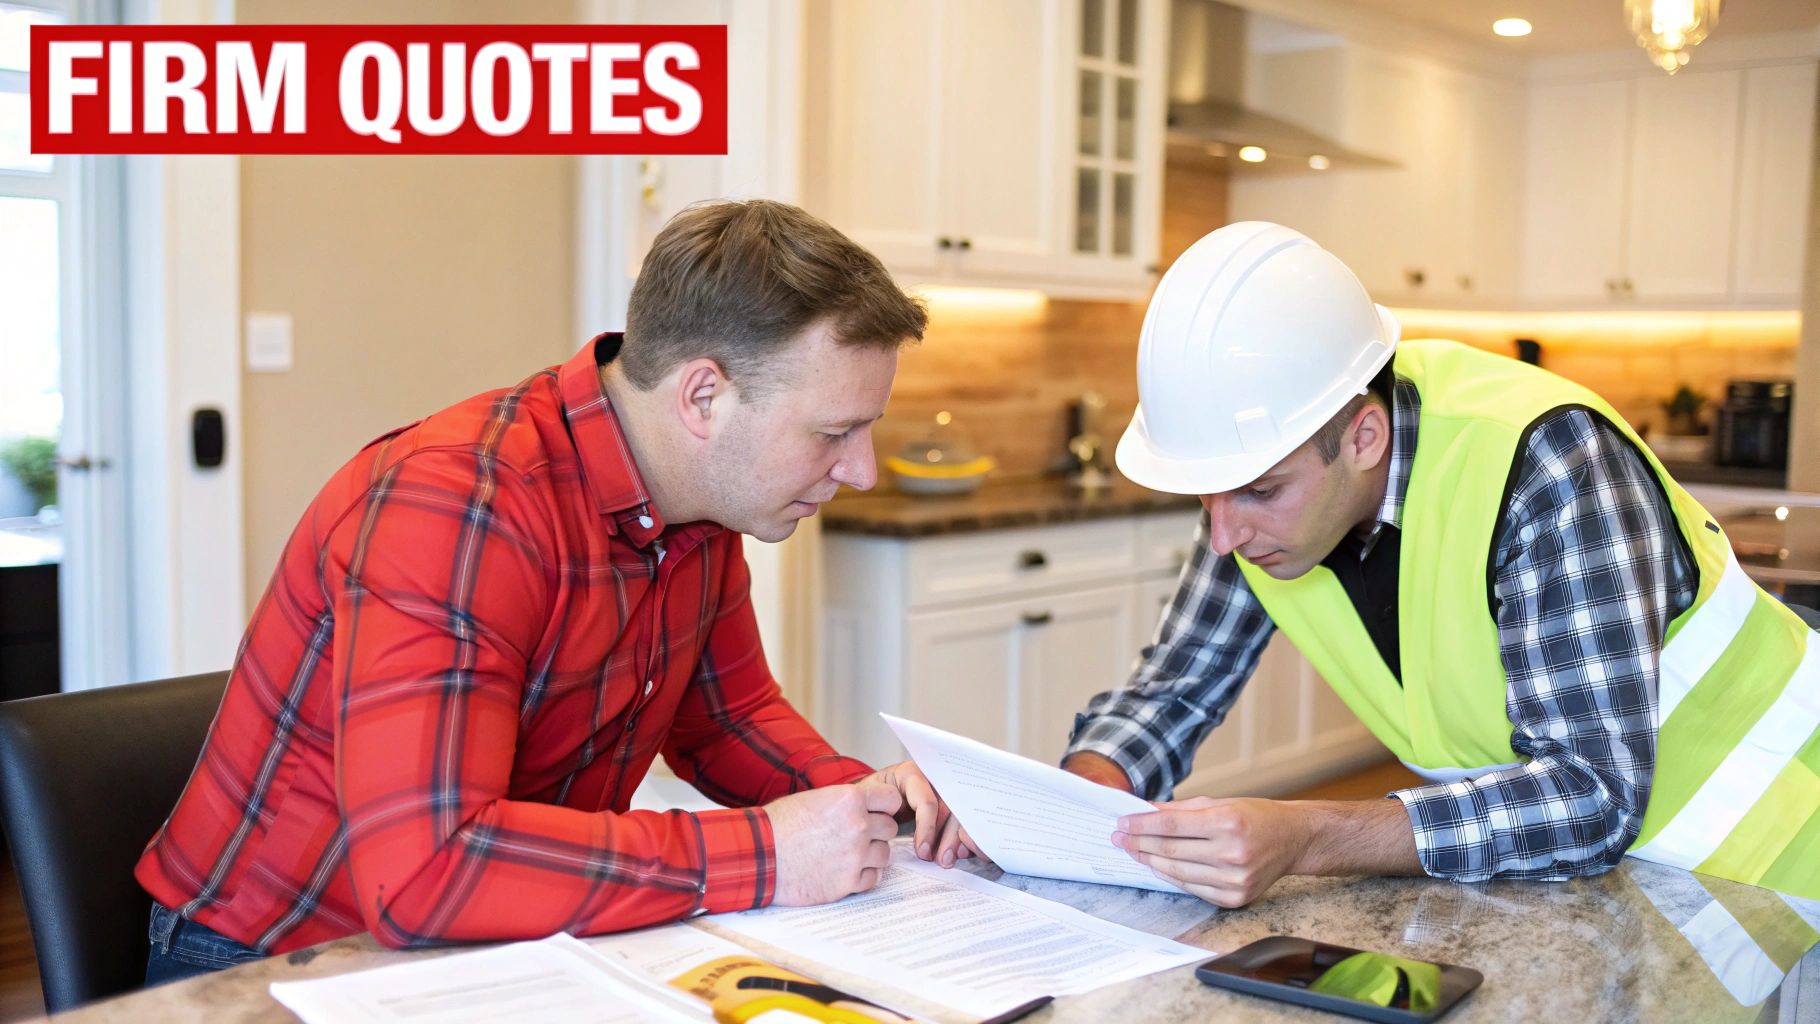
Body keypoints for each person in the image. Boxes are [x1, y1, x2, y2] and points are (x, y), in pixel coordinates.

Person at [137, 199, 970, 984]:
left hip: (496, 935)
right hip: (278, 956)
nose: (861, 469)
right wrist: (765, 855)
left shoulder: (701, 505)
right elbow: (427, 871)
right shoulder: (458, 504)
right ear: (704, 396)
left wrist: (866, 801)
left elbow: (728, 719)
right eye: (833, 432)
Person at [1060, 221, 1819, 909]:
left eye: (1259, 491)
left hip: (1782, 863)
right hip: (1587, 885)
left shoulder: (1545, 459)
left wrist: (1310, 835)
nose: (1222, 535)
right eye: (1205, 497)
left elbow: (1592, 795)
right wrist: (1074, 799)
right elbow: (1175, 688)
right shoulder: (1260, 493)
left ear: (1362, 437)